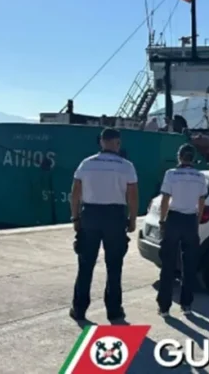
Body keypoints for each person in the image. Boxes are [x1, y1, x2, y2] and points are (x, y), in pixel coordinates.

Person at [68, 128, 139, 322]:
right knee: (114, 266)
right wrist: (132, 219)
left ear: (101, 142)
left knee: (85, 264)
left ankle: (80, 309)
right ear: (117, 143)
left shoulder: (86, 164)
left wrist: (75, 219)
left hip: (90, 216)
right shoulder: (126, 166)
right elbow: (132, 196)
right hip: (115, 217)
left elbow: (75, 194)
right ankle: (114, 311)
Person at [156, 143, 207, 317]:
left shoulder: (171, 174)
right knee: (189, 264)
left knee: (168, 264)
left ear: (179, 157)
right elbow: (201, 202)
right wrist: (197, 222)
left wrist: (162, 220)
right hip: (190, 220)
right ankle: (187, 305)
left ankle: (164, 307)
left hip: (174, 218)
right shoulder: (200, 176)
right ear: (193, 158)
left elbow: (165, 199)